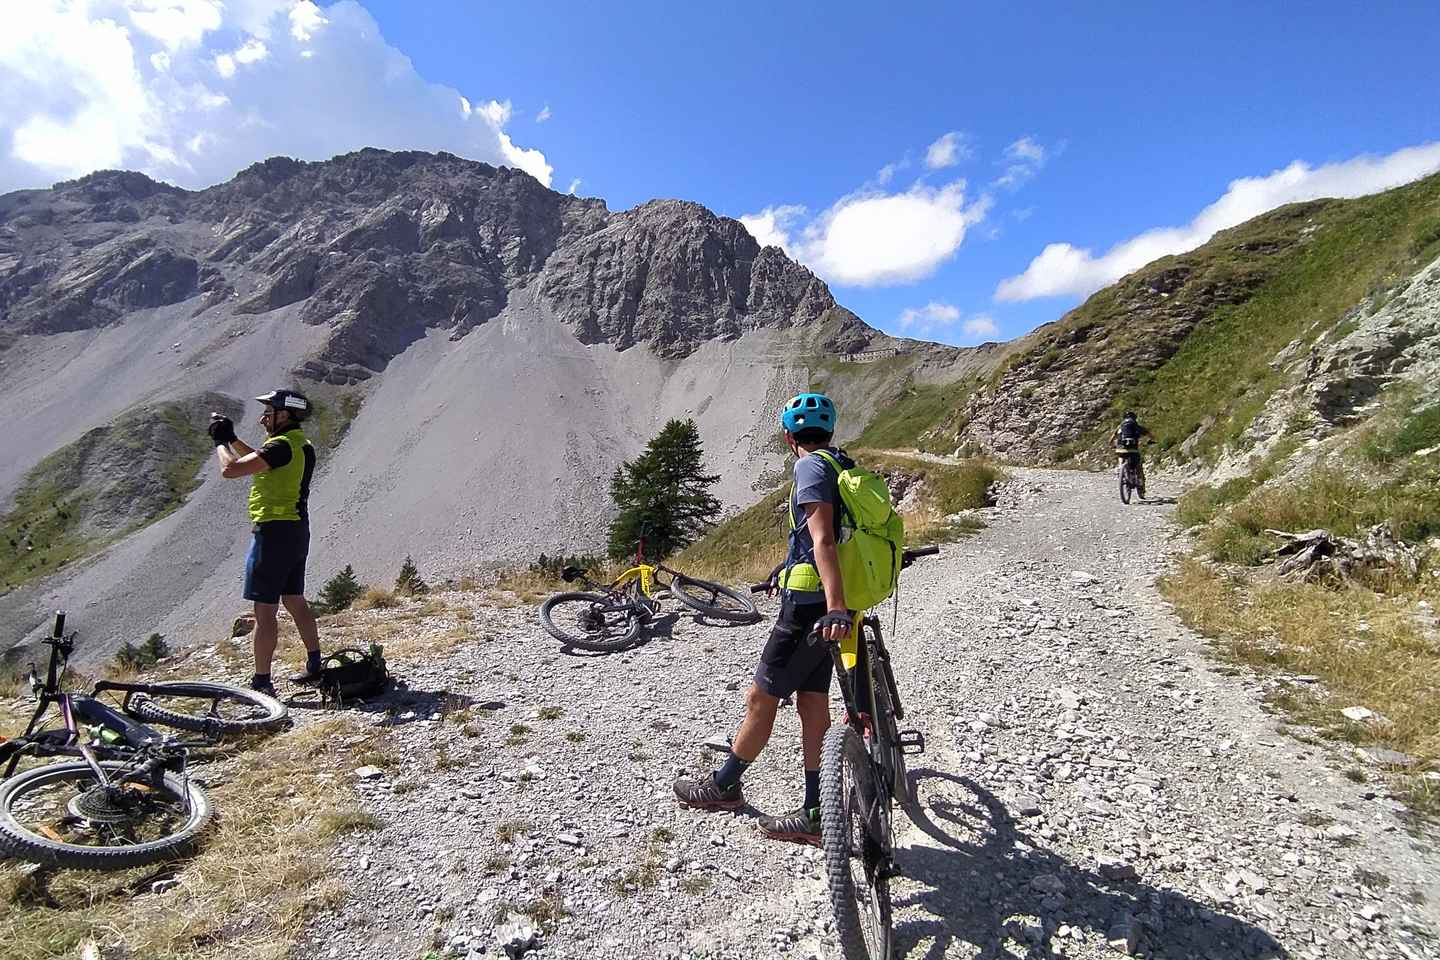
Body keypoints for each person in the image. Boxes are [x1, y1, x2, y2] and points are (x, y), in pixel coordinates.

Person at [672, 392, 853, 845]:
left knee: (761, 696)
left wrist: (830, 605)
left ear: (789, 436)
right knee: (812, 702)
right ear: (828, 433)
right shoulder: (841, 464)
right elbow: (823, 544)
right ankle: (816, 810)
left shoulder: (809, 467)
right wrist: (793, 573)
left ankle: (724, 785)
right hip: (833, 600)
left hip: (811, 607)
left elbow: (825, 539)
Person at [209, 390, 323, 697]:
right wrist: (232, 439)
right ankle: (315, 663)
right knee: (294, 600)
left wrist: (220, 443)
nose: (263, 418)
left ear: (284, 415)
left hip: (273, 532)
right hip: (297, 530)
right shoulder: (298, 444)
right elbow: (260, 460)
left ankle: (262, 682)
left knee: (264, 611)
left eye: (268, 412)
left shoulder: (280, 446)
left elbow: (231, 469)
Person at [1111, 410, 1153, 498]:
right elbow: (1149, 434)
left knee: (1121, 457)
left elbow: (1111, 439)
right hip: (1133, 450)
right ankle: (1140, 484)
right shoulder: (1135, 425)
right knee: (1138, 466)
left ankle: (1121, 471)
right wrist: (1151, 440)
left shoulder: (1120, 427)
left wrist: (1113, 445)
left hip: (1120, 450)